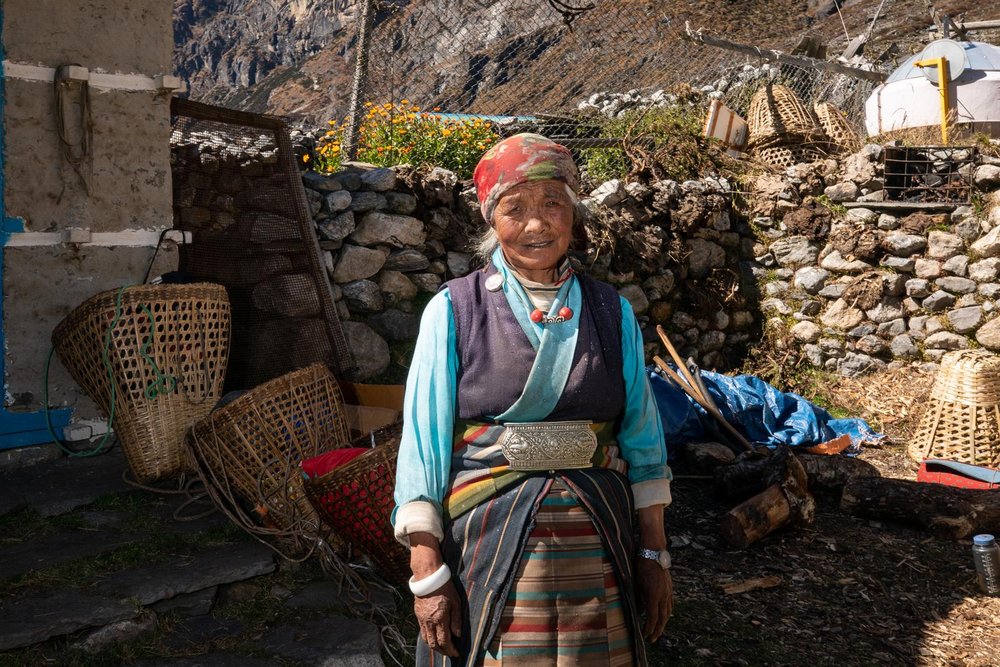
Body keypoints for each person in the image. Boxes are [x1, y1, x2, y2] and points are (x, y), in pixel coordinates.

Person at [392, 133, 673, 666]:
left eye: (552, 204)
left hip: (598, 539)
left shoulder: (610, 311)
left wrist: (653, 552)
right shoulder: (454, 310)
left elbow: (642, 436)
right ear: (491, 222)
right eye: (514, 208)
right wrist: (427, 572)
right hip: (487, 535)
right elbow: (422, 445)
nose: (536, 224)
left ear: (575, 214)